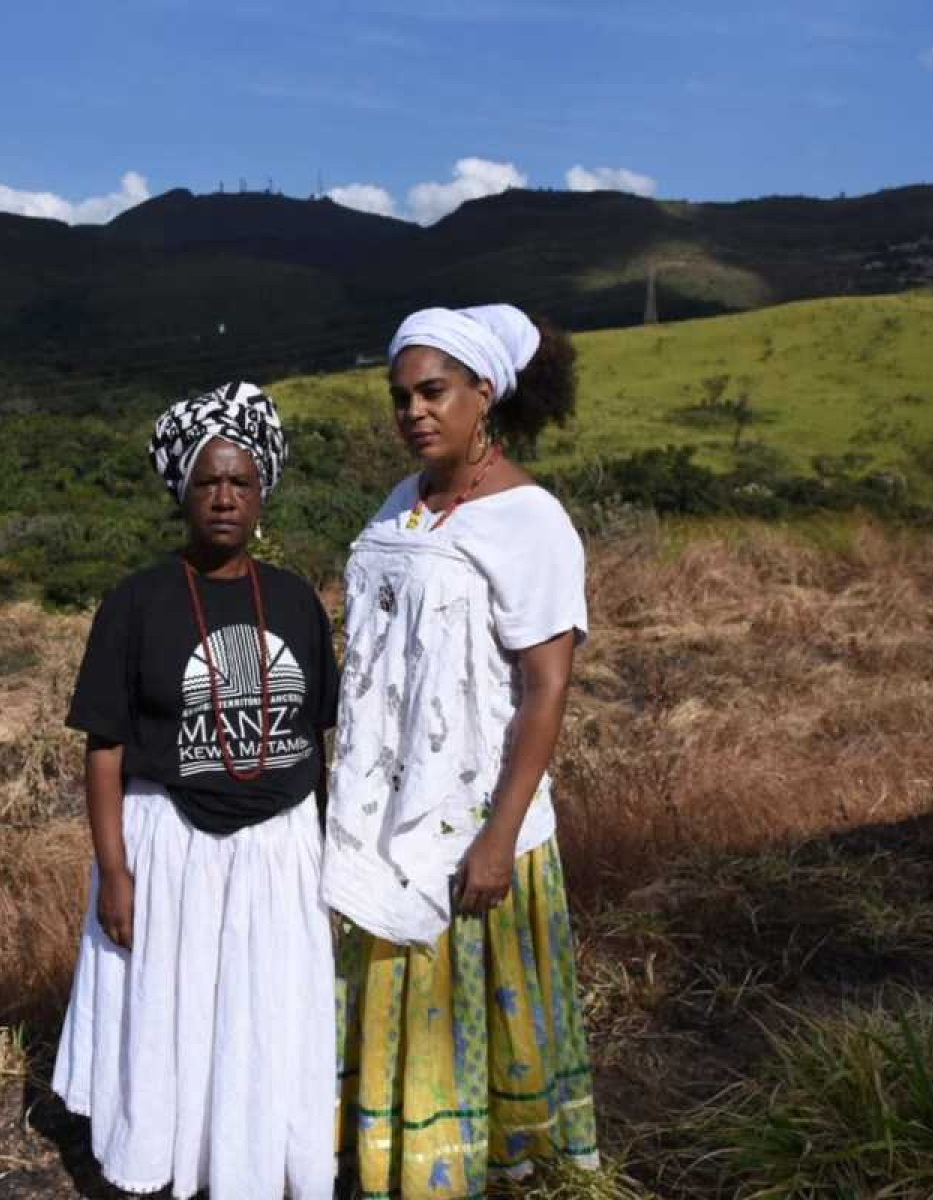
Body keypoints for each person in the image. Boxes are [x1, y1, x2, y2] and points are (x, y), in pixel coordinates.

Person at [324, 304, 595, 1196]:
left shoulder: (530, 519)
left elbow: (546, 688)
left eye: (433, 391)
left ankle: (479, 1168)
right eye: (400, 396)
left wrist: (495, 835)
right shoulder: (403, 505)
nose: (413, 412)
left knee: (463, 1009)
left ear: (485, 394)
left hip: (472, 825)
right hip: (387, 812)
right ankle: (391, 1162)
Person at [52, 381, 340, 1200]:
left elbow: (317, 739)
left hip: (276, 845)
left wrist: (314, 855)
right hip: (168, 841)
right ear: (183, 490)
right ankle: (164, 1165)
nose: (224, 497)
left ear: (262, 493)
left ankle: (252, 1168)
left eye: (240, 482)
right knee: (170, 1013)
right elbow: (104, 746)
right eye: (208, 481)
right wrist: (114, 871)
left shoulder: (294, 601)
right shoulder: (136, 603)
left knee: (261, 1015)